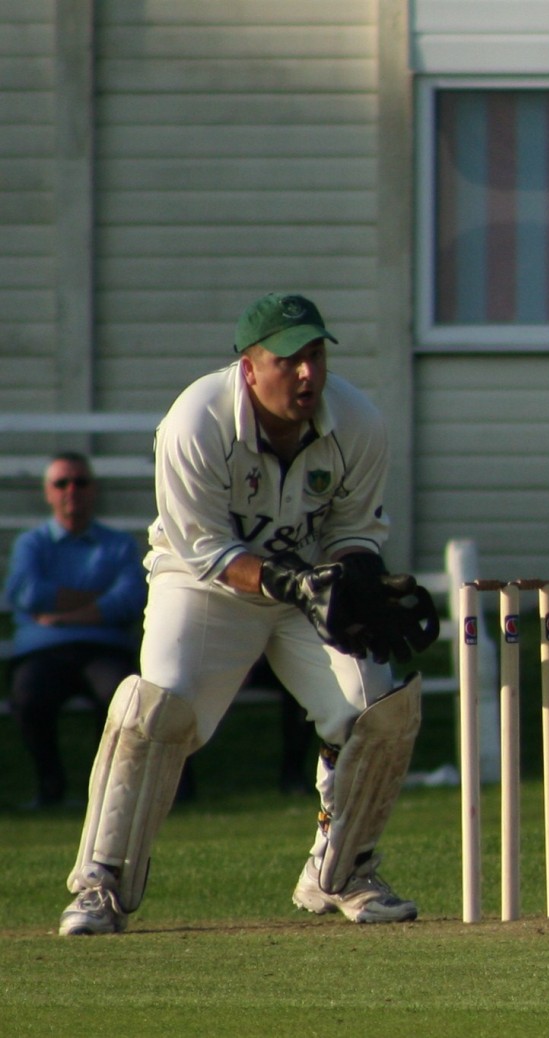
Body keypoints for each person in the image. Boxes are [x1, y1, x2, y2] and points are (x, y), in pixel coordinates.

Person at [57, 292, 440, 936]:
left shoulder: (358, 422)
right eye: (288, 360)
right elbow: (205, 548)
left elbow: (353, 531)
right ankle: (101, 884)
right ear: (249, 367)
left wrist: (357, 580)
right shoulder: (195, 421)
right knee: (159, 706)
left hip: (308, 588)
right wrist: (293, 582)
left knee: (376, 710)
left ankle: (342, 870)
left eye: (315, 356)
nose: (307, 374)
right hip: (203, 585)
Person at [6, 453, 147, 809]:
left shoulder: (120, 544)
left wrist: (63, 614)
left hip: (104, 650)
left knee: (123, 701)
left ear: (93, 489)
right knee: (28, 698)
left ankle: (110, 796)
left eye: (80, 482)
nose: (72, 490)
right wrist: (99, 601)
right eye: (61, 483)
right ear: (48, 492)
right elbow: (25, 592)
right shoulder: (31, 543)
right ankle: (50, 786)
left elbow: (131, 599)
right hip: (42, 653)